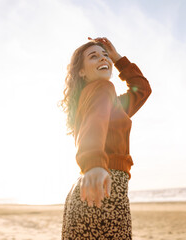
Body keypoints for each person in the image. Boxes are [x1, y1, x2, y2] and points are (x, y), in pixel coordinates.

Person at [59, 37, 152, 239]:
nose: (104, 59)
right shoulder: (103, 88)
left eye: (105, 55)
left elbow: (142, 89)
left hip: (91, 186)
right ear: (81, 72)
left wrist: (118, 57)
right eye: (94, 56)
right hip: (106, 184)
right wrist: (93, 163)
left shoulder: (111, 104)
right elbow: (95, 121)